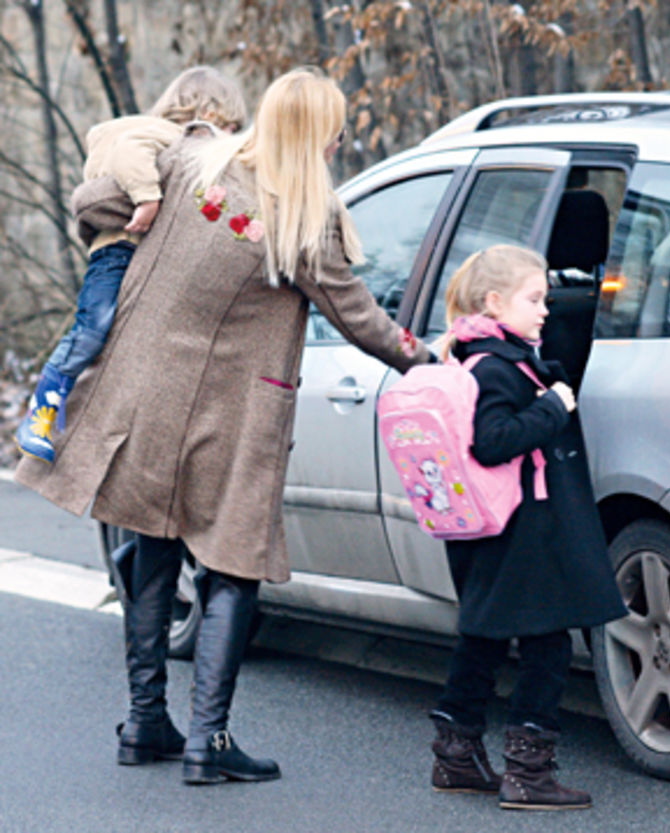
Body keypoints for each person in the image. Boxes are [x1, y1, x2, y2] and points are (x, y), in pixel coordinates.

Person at [15, 67, 434, 785]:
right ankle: (208, 740)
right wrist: (423, 356)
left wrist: (124, 219)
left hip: (146, 391)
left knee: (150, 543)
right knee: (233, 563)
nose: (340, 138)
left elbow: (98, 197)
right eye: (335, 127)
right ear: (318, 133)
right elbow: (357, 315)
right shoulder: (306, 216)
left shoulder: (189, 162)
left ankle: (145, 720)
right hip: (235, 412)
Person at [429, 244, 626, 811]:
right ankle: (528, 773)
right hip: (525, 530)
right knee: (547, 645)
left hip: (498, 530)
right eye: (533, 299)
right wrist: (553, 408)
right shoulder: (495, 366)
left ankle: (457, 757)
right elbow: (492, 442)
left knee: (484, 637)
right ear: (495, 302)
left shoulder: (480, 357)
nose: (545, 309)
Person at [15, 66, 248, 463]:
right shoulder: (165, 135)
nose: (231, 138)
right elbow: (128, 154)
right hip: (117, 251)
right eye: (231, 127)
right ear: (208, 113)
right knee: (94, 328)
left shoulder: (183, 148)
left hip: (145, 256)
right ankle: (41, 411)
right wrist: (146, 198)